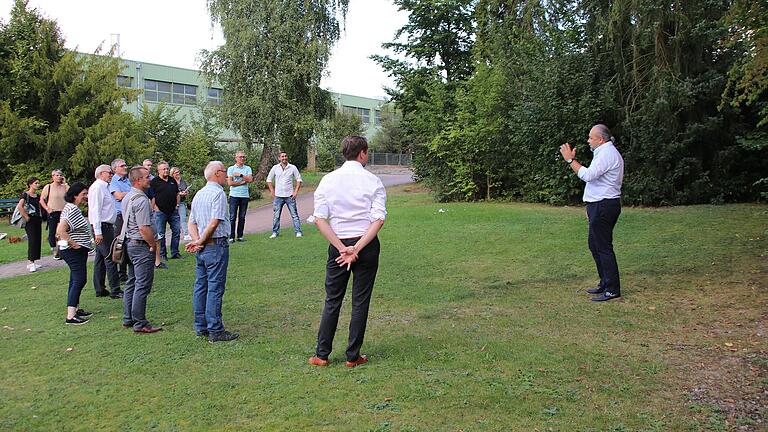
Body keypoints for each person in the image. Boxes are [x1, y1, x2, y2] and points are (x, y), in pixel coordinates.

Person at [308, 136, 387, 368]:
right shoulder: (373, 181)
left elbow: (320, 219)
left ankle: (322, 354)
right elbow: (378, 219)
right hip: (366, 244)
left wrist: (342, 248)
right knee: (360, 300)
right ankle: (353, 356)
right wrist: (356, 248)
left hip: (339, 244)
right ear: (362, 153)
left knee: (333, 299)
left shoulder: (328, 180)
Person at [560, 124, 625, 302]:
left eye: (591, 138)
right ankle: (605, 282)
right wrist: (590, 206)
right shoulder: (603, 153)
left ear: (601, 139)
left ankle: (612, 289)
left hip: (604, 205)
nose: (588, 141)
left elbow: (588, 175)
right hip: (599, 205)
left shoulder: (607, 154)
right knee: (594, 245)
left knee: (603, 247)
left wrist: (570, 161)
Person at [186, 161, 239, 343]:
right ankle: (215, 330)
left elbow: (191, 222)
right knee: (215, 288)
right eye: (225, 171)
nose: (226, 175)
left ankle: (201, 326)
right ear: (217, 173)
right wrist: (199, 241)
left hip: (203, 248)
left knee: (201, 286)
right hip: (215, 246)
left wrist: (196, 241)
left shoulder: (199, 194)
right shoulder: (218, 194)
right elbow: (215, 221)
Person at [121, 166, 163, 333]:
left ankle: (128, 318)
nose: (150, 179)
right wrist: (153, 245)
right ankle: (140, 322)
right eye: (146, 177)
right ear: (138, 180)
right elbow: (144, 228)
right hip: (140, 246)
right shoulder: (142, 200)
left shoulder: (128, 197)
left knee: (132, 281)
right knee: (142, 284)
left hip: (130, 245)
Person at [56, 182, 94, 325]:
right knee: (79, 279)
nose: (86, 196)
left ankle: (76, 309)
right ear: (74, 196)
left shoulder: (72, 208)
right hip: (73, 251)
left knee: (75, 279)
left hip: (76, 250)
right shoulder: (71, 209)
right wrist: (74, 244)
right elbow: (60, 230)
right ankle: (70, 316)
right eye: (83, 194)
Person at [88, 164, 122, 299]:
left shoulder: (104, 187)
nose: (111, 175)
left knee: (100, 258)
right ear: (101, 173)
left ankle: (100, 288)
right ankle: (115, 289)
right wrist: (98, 232)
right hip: (101, 226)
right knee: (109, 256)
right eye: (109, 172)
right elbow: (95, 210)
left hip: (106, 226)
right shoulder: (97, 188)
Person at [267, 151, 303, 238]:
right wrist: (272, 191)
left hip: (290, 196)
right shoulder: (275, 168)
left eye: (285, 156)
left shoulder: (292, 167)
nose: (284, 158)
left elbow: (299, 179)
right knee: (276, 216)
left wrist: (295, 192)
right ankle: (275, 232)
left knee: (294, 215)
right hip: (278, 196)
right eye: (282, 157)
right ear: (279, 158)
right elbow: (269, 179)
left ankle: (298, 232)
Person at [150, 161, 182, 260]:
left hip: (173, 211)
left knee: (176, 231)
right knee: (161, 234)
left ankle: (175, 252)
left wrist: (177, 205)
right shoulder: (154, 182)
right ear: (158, 171)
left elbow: (177, 193)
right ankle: (162, 254)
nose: (166, 170)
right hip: (160, 212)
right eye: (163, 169)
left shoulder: (172, 180)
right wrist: (155, 208)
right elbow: (151, 196)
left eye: (167, 168)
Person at [110, 159, 131, 281]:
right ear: (115, 169)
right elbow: (118, 196)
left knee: (129, 242)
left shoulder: (127, 180)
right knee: (121, 244)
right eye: (122, 166)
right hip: (120, 216)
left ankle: (127, 271)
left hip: (128, 215)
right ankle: (121, 273)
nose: (125, 167)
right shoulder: (114, 182)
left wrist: (126, 193)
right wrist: (131, 193)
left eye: (125, 165)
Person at [40, 169, 68, 260]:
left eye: (60, 175)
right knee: (52, 231)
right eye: (57, 175)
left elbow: (71, 194)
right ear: (53, 177)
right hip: (53, 211)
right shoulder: (48, 187)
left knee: (62, 231)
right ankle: (55, 250)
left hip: (63, 211)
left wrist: (65, 183)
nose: (59, 177)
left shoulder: (64, 186)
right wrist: (47, 209)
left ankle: (62, 249)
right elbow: (41, 200)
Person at [17, 177, 43, 272]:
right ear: (30, 184)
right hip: (30, 220)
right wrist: (26, 216)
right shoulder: (25, 195)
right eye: (36, 183)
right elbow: (20, 206)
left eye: (38, 183)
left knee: (37, 239)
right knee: (32, 240)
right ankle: (30, 263)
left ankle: (32, 261)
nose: (37, 185)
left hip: (37, 219)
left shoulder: (37, 195)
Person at [226, 150, 252, 242]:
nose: (242, 158)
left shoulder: (247, 168)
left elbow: (250, 179)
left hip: (244, 195)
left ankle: (240, 236)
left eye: (243, 157)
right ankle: (231, 236)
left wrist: (240, 175)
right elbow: (230, 182)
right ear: (236, 158)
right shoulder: (231, 169)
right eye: (240, 157)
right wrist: (241, 182)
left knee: (242, 216)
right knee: (232, 217)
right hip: (234, 195)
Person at [171, 167, 191, 241]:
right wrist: (179, 193)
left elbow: (186, 190)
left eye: (178, 171)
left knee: (183, 218)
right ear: (172, 174)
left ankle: (186, 234)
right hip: (172, 203)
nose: (178, 173)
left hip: (182, 202)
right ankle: (176, 234)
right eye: (176, 172)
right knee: (174, 219)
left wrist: (185, 193)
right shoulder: (171, 181)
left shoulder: (182, 181)